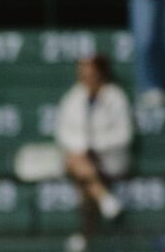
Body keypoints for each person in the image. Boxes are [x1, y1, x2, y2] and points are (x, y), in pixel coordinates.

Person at [56, 53, 134, 230]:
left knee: (81, 177)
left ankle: (85, 234)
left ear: (101, 74)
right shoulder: (73, 97)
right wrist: (83, 147)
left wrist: (95, 146)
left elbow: (124, 134)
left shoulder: (116, 97)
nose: (86, 79)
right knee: (77, 166)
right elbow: (63, 132)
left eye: (90, 74)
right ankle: (105, 199)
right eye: (82, 75)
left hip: (110, 159)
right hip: (82, 158)